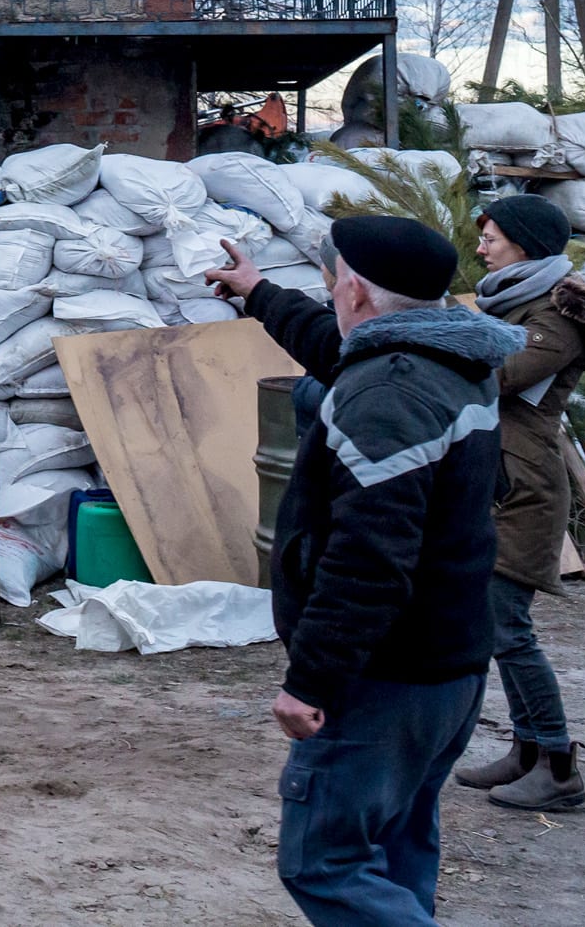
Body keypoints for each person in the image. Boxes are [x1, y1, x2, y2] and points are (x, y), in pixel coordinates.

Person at [205, 216, 520, 927]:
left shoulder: (385, 397)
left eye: (332, 280)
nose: (330, 292)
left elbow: (368, 562)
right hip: (448, 666)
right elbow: (338, 346)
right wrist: (258, 292)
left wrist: (310, 680)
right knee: (396, 843)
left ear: (353, 290)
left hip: (386, 677)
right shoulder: (448, 357)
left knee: (323, 862)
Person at [446, 195, 585, 812]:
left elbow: (499, 375)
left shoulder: (560, 315)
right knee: (496, 627)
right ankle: (526, 751)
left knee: (508, 627)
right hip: (494, 479)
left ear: (523, 242)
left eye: (491, 236)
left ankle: (558, 766)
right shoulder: (512, 301)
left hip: (523, 488)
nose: (480, 247)